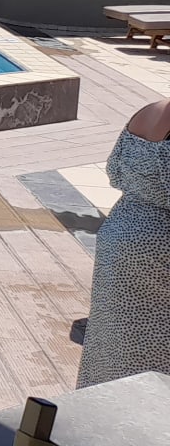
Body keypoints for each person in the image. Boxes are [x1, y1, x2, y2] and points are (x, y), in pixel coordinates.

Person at [77, 98, 170, 387]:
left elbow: (115, 171)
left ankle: (100, 406)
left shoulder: (149, 112)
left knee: (111, 341)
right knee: (156, 362)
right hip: (159, 251)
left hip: (120, 234)